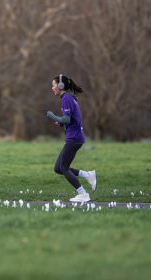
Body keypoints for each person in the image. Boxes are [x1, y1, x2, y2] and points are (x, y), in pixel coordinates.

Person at [46, 74, 96, 202]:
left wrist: (52, 116)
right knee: (58, 168)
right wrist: (61, 122)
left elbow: (67, 119)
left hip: (74, 138)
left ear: (61, 86)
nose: (52, 88)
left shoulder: (66, 99)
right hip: (75, 137)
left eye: (53, 85)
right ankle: (88, 175)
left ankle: (83, 194)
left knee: (64, 168)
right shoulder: (69, 98)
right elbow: (70, 119)